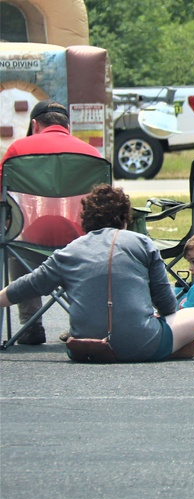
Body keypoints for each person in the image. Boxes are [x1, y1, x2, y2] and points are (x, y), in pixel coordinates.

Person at [0, 184, 194, 361]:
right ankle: (169, 347)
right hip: (141, 343)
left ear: (86, 221)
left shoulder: (68, 251)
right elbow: (167, 306)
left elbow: (27, 286)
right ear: (124, 219)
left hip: (84, 348)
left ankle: (168, 347)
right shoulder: (142, 243)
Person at [0, 99, 105, 345]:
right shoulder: (91, 153)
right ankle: (83, 324)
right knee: (81, 252)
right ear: (68, 127)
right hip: (80, 244)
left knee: (15, 240)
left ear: (35, 124)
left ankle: (30, 325)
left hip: (28, 244)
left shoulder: (18, 150)